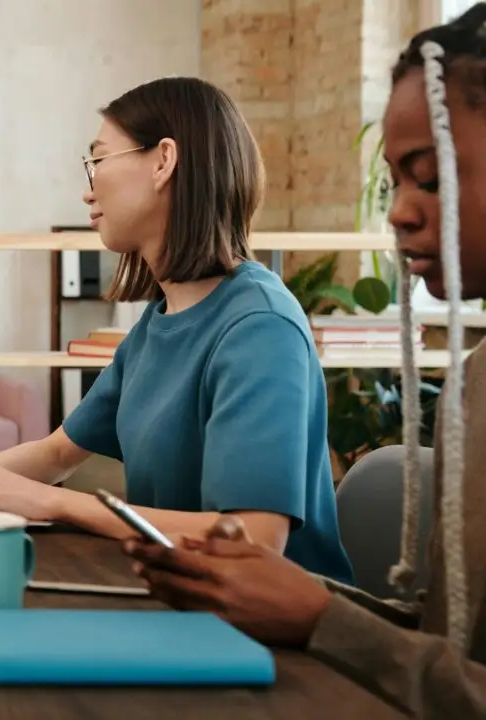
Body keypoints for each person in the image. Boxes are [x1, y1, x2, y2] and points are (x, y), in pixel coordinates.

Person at [127, 8, 486, 717]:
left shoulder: (256, 319)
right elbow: (453, 644)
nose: (400, 213)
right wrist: (293, 598)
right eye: (394, 184)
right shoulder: (473, 383)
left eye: (430, 179)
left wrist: (321, 616)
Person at [0, 76, 354, 583]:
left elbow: (253, 540)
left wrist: (55, 503)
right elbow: (59, 452)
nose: (88, 190)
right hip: (179, 593)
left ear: (163, 161)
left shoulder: (260, 328)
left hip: (265, 621)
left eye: (98, 160)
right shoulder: (158, 322)